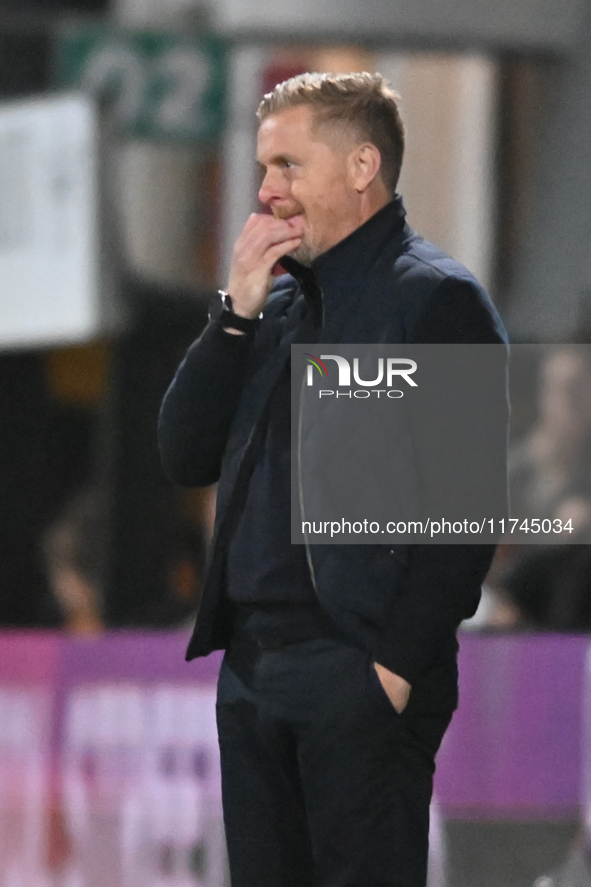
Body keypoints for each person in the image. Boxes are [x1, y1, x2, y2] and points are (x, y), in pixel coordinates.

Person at [158, 71, 507, 887]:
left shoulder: (435, 300)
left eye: (286, 165)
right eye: (264, 167)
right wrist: (232, 314)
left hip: (354, 671)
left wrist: (388, 669)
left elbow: (467, 511)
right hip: (253, 671)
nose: (266, 191)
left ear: (360, 167)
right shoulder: (271, 311)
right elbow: (183, 454)